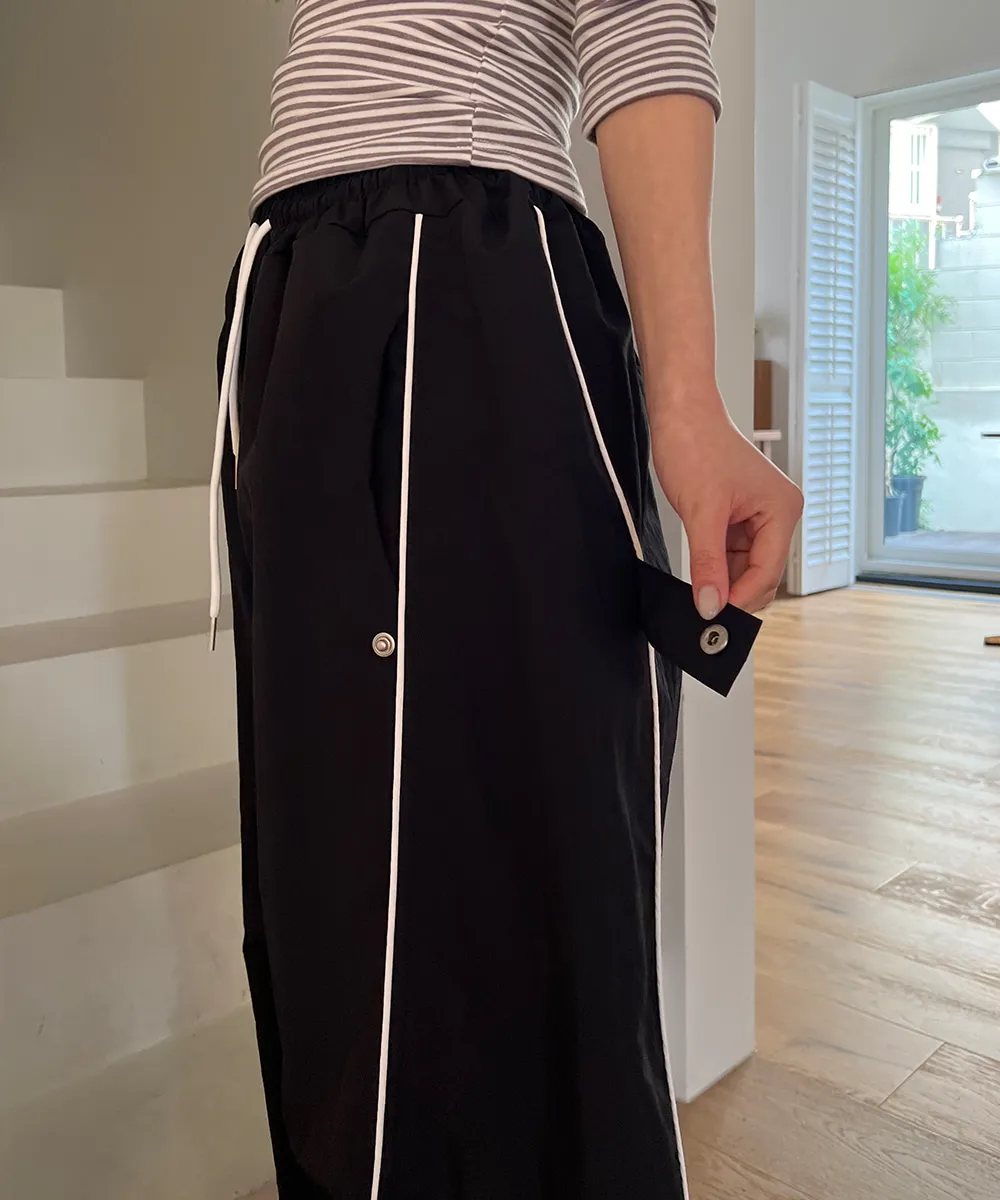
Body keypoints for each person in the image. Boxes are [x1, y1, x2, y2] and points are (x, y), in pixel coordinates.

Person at [210, 2, 803, 1197]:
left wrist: (687, 403)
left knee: (508, 887)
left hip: (462, 263)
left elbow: (640, 20)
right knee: (328, 891)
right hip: (291, 282)